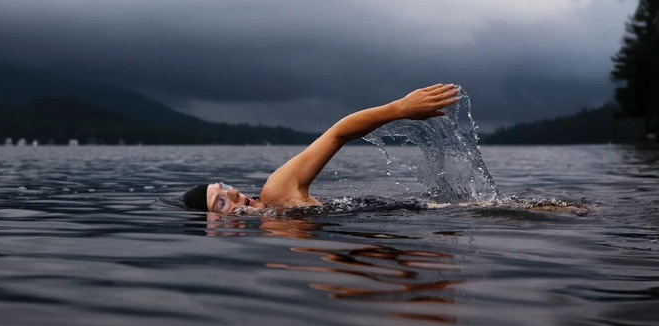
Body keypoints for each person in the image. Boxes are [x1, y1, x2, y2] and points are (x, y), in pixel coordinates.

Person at [182, 83, 460, 214]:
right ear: (213, 226)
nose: (233, 192)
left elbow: (337, 134)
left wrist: (399, 109)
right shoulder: (274, 235)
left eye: (225, 186)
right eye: (221, 201)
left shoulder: (277, 193)